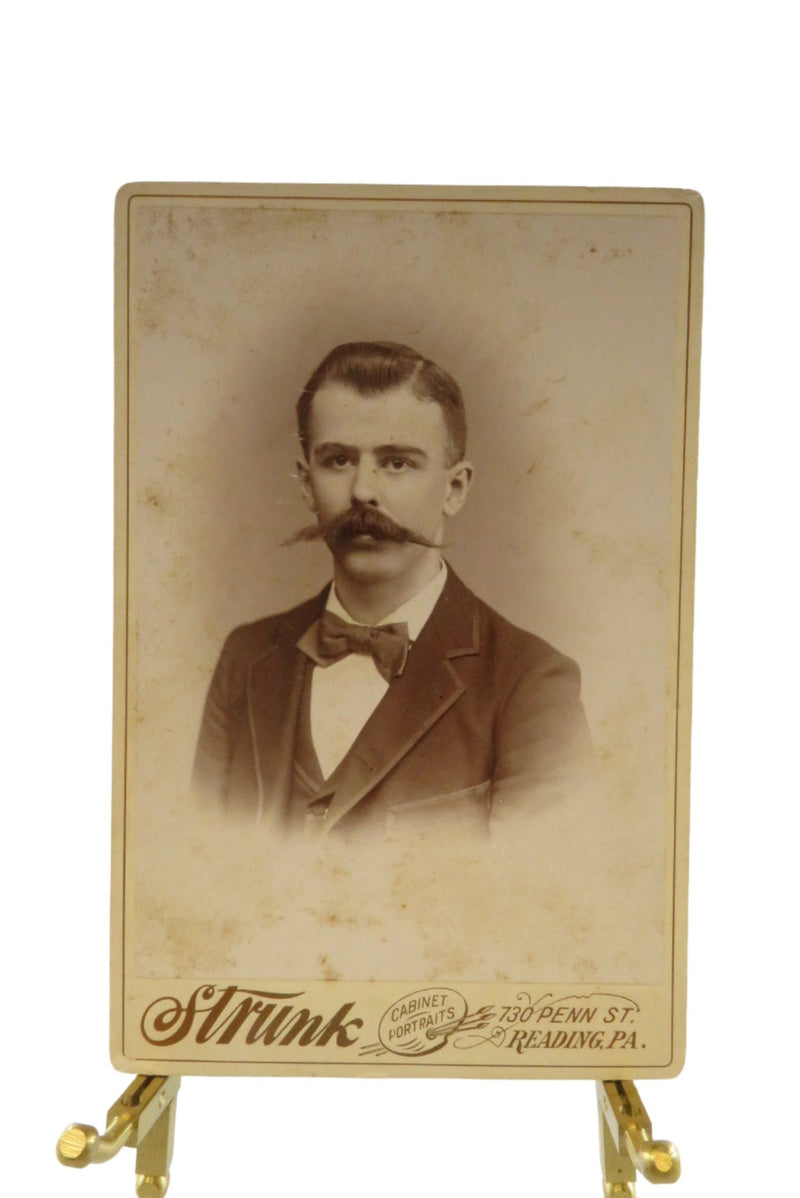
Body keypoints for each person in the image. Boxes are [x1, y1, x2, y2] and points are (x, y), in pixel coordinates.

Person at [192, 341, 590, 840]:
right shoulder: (246, 657)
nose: (363, 491)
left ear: (455, 489)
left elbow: (530, 900)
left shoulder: (530, 683)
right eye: (338, 461)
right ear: (304, 483)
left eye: (397, 462)